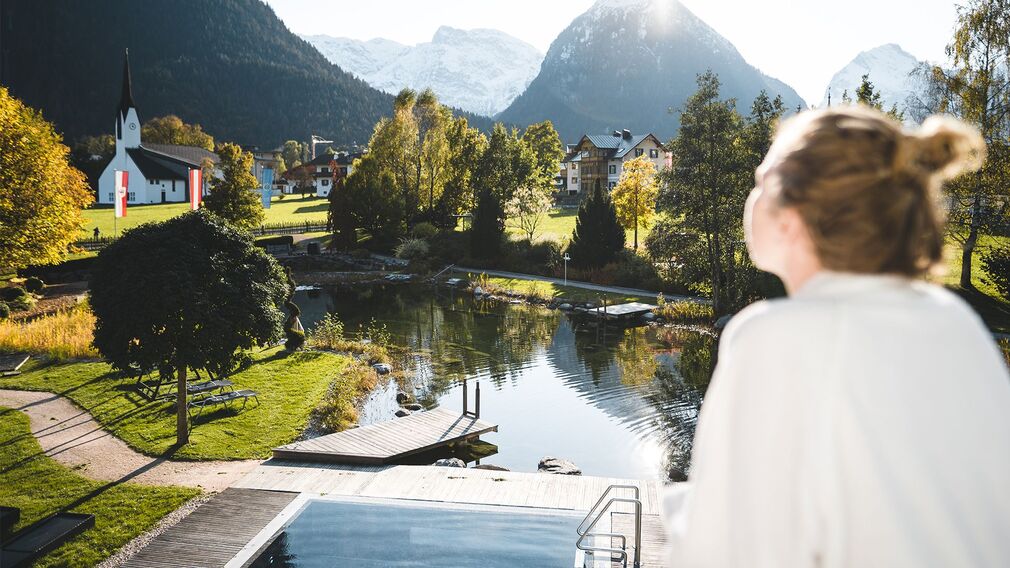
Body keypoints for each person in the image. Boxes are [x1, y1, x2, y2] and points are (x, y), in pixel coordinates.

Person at [663, 105, 1010, 567]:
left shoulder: (774, 339)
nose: (750, 198)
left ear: (792, 213)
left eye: (760, 181)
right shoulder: (957, 324)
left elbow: (724, 555)